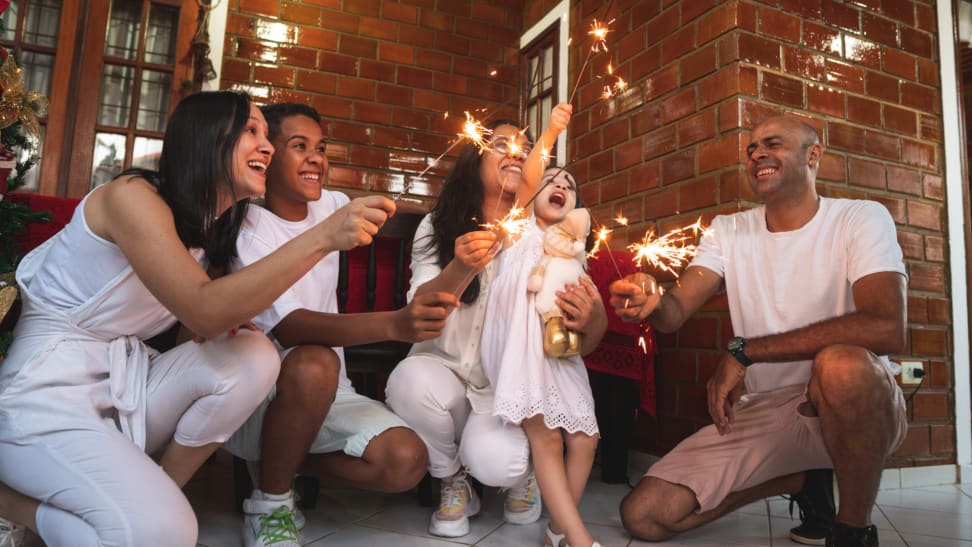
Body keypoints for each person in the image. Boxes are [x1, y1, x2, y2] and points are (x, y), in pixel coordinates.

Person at [0, 91, 395, 547]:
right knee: (163, 535)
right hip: (43, 393)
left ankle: (162, 489)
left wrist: (221, 319)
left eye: (268, 137)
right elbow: (204, 308)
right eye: (251, 131)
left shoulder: (210, 228)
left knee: (252, 353)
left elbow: (199, 322)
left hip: (125, 384)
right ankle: (12, 502)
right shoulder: (131, 197)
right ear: (206, 139)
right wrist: (323, 238)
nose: (266, 146)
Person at [608, 116, 908, 547]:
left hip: (854, 402)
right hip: (769, 410)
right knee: (645, 517)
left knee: (840, 364)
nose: (757, 154)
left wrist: (746, 351)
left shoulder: (860, 218)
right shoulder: (728, 231)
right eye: (750, 149)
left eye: (773, 144)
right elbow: (674, 313)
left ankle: (852, 529)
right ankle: (805, 481)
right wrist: (651, 301)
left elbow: (886, 325)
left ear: (813, 155)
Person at [221, 102, 459, 547]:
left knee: (407, 461)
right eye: (299, 146)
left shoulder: (330, 205)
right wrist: (394, 324)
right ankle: (270, 503)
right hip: (261, 393)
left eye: (321, 147)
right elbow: (290, 328)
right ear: (268, 157)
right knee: (314, 361)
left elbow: (385, 208)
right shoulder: (248, 228)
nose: (316, 158)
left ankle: (279, 458)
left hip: (330, 394)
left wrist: (447, 216)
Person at [385, 103, 607, 538]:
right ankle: (453, 479)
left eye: (525, 150)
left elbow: (579, 328)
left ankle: (517, 476)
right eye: (502, 145)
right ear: (476, 157)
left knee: (500, 462)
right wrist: (460, 266)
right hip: (443, 370)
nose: (516, 154)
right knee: (409, 383)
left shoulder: (536, 231)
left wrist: (594, 316)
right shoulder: (439, 225)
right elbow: (419, 311)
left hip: (502, 382)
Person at [482, 165, 605, 547]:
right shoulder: (518, 231)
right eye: (551, 180)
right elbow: (529, 182)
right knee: (547, 437)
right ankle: (580, 539)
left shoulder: (576, 253)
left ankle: (556, 532)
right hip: (523, 349)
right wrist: (552, 130)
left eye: (570, 185)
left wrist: (592, 312)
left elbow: (590, 318)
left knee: (586, 437)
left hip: (562, 352)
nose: (561, 185)